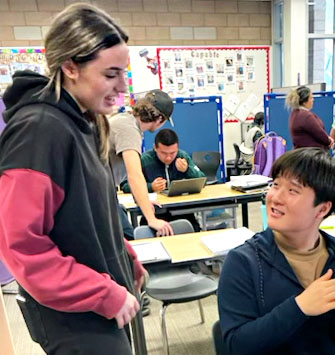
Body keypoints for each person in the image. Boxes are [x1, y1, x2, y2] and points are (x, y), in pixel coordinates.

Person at [0, 4, 144, 354]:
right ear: (70, 67)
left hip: (99, 298)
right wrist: (103, 292)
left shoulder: (86, 123)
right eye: (111, 74)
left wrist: (126, 257)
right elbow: (22, 245)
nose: (121, 87)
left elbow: (89, 214)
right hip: (73, 315)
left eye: (123, 74)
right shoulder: (39, 130)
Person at [218, 148, 335, 354]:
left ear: (322, 209)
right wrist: (300, 307)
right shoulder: (244, 262)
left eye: (293, 190)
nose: (275, 197)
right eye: (275, 185)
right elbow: (236, 346)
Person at [109, 89, 174, 240]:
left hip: (103, 192)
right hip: (95, 194)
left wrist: (143, 198)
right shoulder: (129, 129)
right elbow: (135, 175)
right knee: (129, 243)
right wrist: (152, 219)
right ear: (159, 119)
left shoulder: (126, 121)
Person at [122, 128, 205, 231]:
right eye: (164, 153)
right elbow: (125, 186)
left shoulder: (182, 156)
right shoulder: (144, 160)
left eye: (172, 153)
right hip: (155, 213)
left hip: (182, 211)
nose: (169, 157)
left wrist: (187, 170)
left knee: (193, 230)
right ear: (155, 148)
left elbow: (202, 180)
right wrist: (150, 187)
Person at [287, 86, 334, 150]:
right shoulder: (305, 116)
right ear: (304, 101)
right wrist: (329, 141)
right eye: (311, 98)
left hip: (302, 152)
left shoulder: (295, 113)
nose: (313, 100)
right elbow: (319, 133)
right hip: (312, 154)